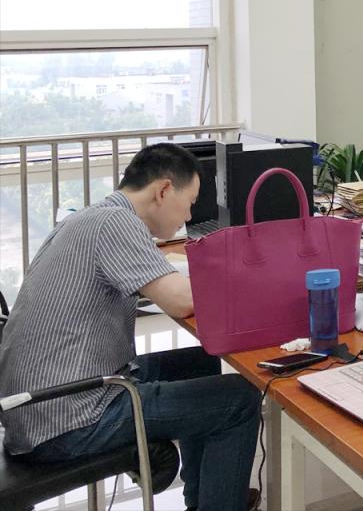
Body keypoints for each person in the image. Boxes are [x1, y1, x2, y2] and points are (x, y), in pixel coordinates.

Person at [0, 144, 262, 511]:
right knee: (240, 399)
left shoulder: (91, 217)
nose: (189, 215)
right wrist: (253, 276)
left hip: (40, 405)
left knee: (201, 361)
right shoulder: (116, 224)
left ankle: (203, 501)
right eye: (189, 202)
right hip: (67, 420)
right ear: (163, 190)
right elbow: (180, 300)